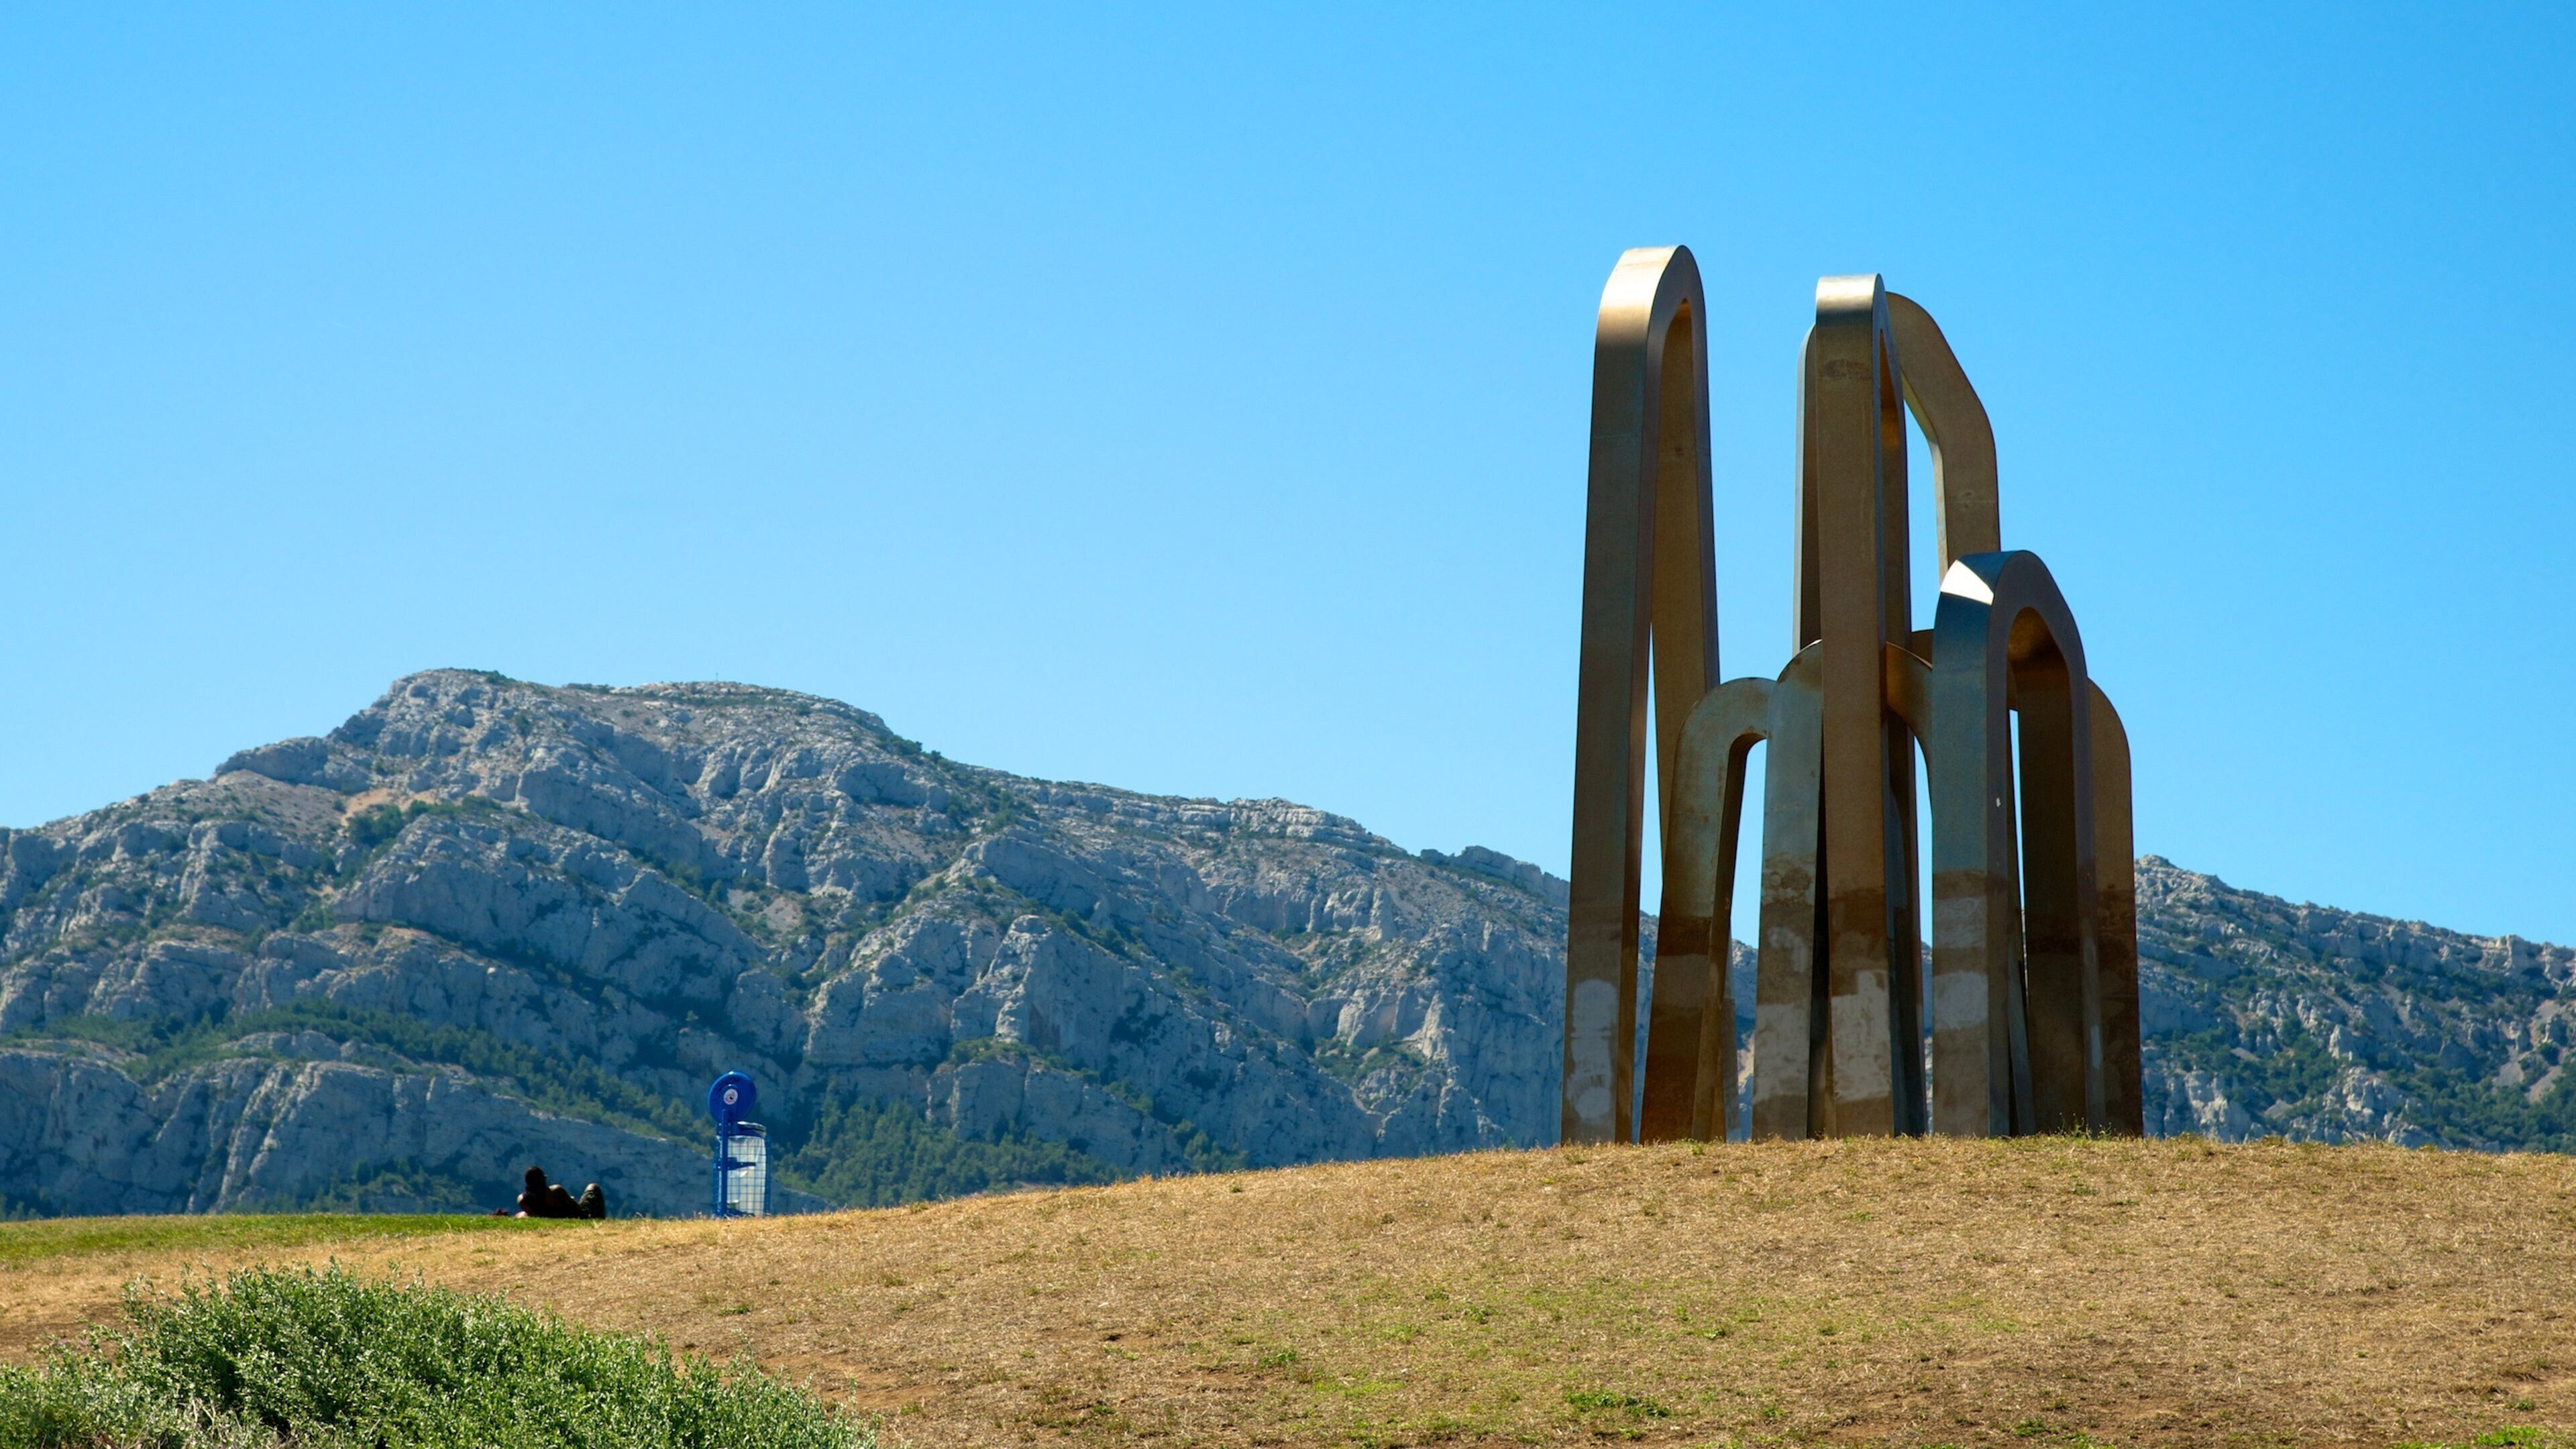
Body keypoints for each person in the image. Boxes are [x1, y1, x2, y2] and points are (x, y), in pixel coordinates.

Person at [514, 1165, 608, 1220]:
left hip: (559, 1217)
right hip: (577, 1216)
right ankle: (601, 1221)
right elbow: (578, 1212)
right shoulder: (556, 1192)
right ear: (544, 1180)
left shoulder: (522, 1200)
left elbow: (535, 1216)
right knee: (593, 1187)